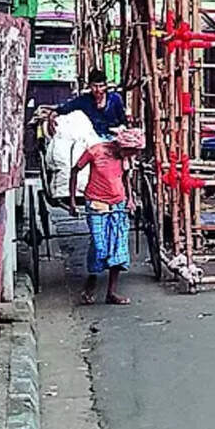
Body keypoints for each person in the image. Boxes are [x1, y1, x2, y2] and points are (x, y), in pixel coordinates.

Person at [69, 127, 145, 305]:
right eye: (131, 151)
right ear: (122, 146)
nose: (132, 155)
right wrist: (72, 201)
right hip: (97, 202)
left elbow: (126, 178)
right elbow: (74, 171)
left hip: (118, 203)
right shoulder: (96, 151)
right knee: (99, 244)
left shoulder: (125, 159)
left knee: (118, 247)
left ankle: (111, 292)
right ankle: (92, 280)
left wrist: (130, 200)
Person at [53, 69, 127, 138]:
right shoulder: (84, 100)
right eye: (95, 86)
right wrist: (54, 113)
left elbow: (123, 120)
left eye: (101, 86)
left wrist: (121, 128)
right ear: (90, 86)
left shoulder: (115, 99)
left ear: (105, 86)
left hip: (113, 138)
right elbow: (66, 107)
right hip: (92, 141)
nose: (98, 90)